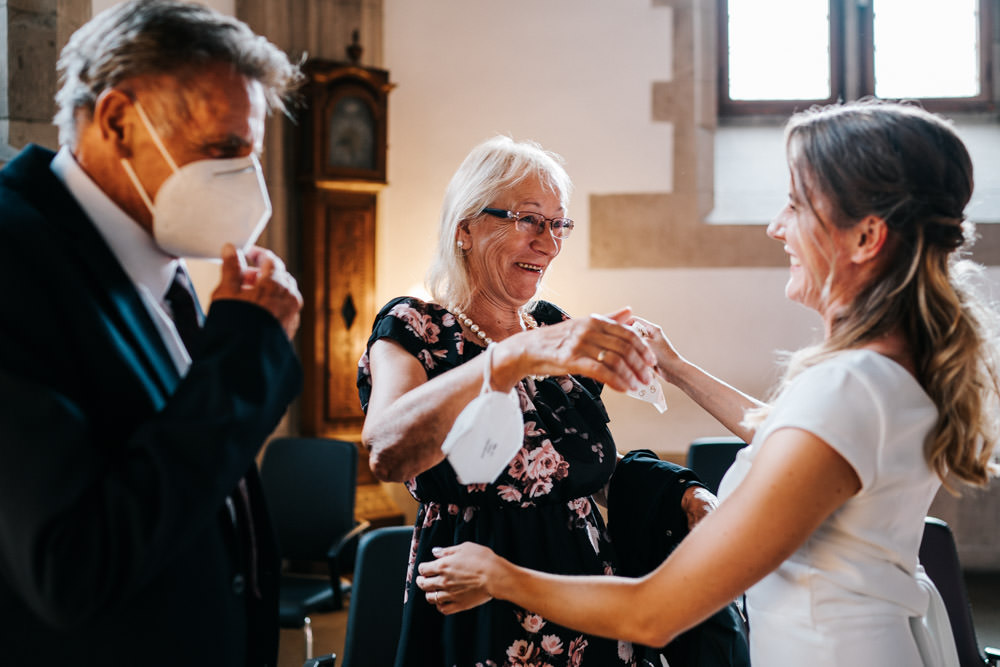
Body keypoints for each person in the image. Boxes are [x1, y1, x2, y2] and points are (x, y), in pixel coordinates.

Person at [416, 100, 1000, 667]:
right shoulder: (896, 365)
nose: (776, 227)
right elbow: (793, 435)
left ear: (866, 237)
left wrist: (499, 576)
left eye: (796, 206)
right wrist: (673, 364)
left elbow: (654, 612)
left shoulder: (853, 387)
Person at [0, 2, 304, 665]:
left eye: (251, 152)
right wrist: (248, 351)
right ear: (117, 121)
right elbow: (69, 563)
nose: (246, 179)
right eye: (223, 148)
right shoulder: (14, 263)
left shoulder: (159, 269)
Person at [357, 135, 719, 666]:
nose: (548, 244)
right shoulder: (415, 327)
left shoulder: (550, 324)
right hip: (478, 601)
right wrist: (506, 362)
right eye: (529, 219)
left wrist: (682, 493)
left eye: (559, 224)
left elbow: (577, 467)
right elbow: (386, 450)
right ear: (465, 227)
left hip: (586, 594)